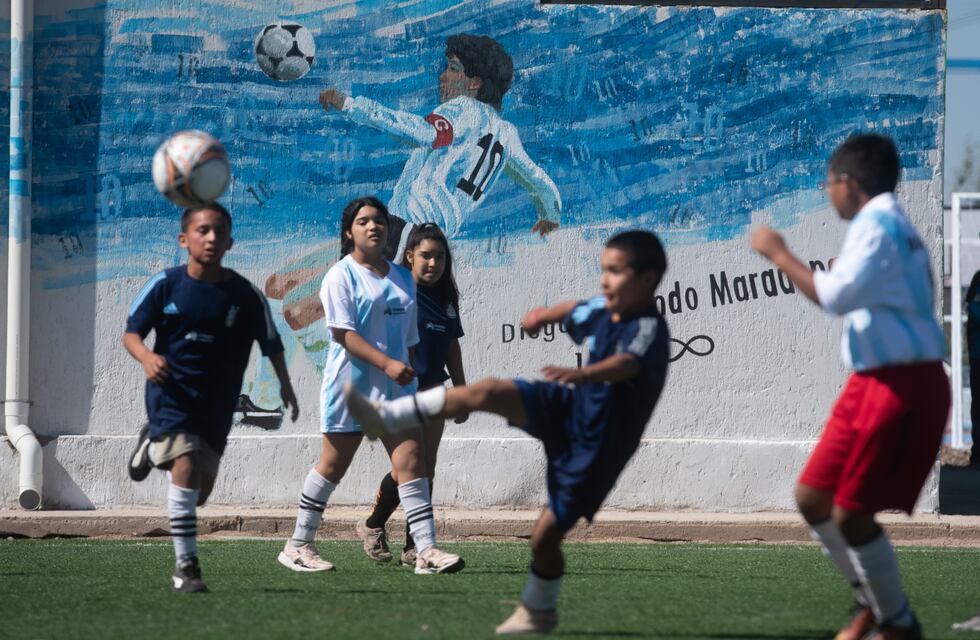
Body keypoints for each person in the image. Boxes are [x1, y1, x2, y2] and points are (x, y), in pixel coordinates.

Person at [345, 230, 670, 635]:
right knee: (488, 390)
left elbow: (625, 363)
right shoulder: (605, 308)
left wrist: (584, 373)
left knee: (545, 536)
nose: (605, 280)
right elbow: (576, 308)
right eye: (603, 270)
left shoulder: (648, 327)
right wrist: (545, 316)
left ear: (647, 280)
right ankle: (390, 415)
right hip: (566, 406)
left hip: (599, 441)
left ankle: (538, 609)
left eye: (616, 272)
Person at [751, 133, 949, 640]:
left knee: (852, 514)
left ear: (849, 183)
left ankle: (897, 622)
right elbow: (873, 290)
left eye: (828, 183)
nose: (826, 192)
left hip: (899, 384)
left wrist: (779, 253)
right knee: (813, 497)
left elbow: (834, 298)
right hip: (872, 381)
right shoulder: (887, 225)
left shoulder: (878, 222)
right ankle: (875, 605)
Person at [266, 33, 562, 336]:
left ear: (474, 83)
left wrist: (351, 105)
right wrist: (550, 214)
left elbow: (424, 132)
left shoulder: (463, 109)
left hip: (403, 235)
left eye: (453, 68)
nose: (442, 76)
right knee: (277, 285)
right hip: (410, 237)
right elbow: (538, 181)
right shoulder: (507, 135)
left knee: (296, 312)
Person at [278, 196, 464, 575]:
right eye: (364, 221)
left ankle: (425, 550)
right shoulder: (340, 276)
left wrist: (408, 369)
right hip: (352, 388)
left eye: (379, 220)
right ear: (350, 232)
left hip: (397, 390)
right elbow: (344, 335)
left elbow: (410, 337)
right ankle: (298, 544)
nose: (374, 226)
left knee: (413, 462)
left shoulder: (400, 277)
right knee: (332, 466)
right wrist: (388, 364)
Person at [125, 203, 299, 593]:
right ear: (184, 239)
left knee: (199, 494)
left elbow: (271, 344)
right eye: (203, 230)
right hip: (171, 396)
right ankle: (186, 566)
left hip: (218, 405)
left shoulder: (243, 294)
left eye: (219, 231)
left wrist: (286, 386)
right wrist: (148, 357)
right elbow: (131, 334)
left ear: (230, 241)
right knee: (184, 465)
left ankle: (151, 447)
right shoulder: (165, 285)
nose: (211, 237)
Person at [356, 223, 468, 566]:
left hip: (434, 389)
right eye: (426, 256)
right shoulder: (395, 292)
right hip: (400, 391)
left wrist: (461, 389)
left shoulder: (447, 298)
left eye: (440, 257)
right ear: (409, 256)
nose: (433, 263)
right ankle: (376, 525)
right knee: (408, 466)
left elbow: (452, 345)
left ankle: (409, 545)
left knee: (425, 469)